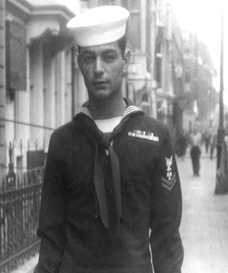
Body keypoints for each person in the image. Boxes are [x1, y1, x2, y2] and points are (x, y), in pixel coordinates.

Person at [34, 5, 184, 273]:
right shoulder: (63, 142)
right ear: (79, 62)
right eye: (89, 58)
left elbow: (167, 238)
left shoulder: (155, 138)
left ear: (125, 60)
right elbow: (51, 238)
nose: (99, 69)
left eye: (109, 57)